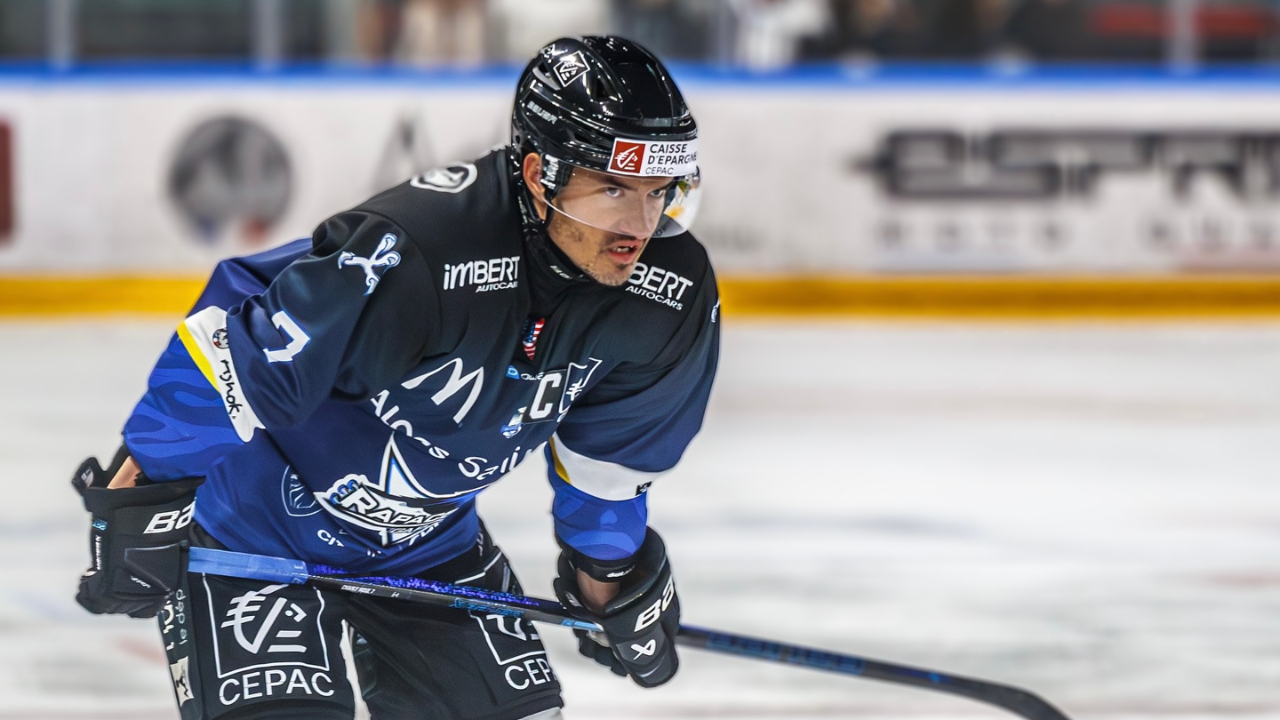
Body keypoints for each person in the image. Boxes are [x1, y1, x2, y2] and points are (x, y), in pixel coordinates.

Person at [72, 35, 718, 720]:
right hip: (253, 536)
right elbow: (240, 357)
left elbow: (606, 464)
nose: (639, 226)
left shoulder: (666, 294)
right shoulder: (422, 252)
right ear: (538, 173)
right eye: (612, 189)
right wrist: (147, 488)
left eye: (660, 193)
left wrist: (610, 577)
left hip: (428, 547)